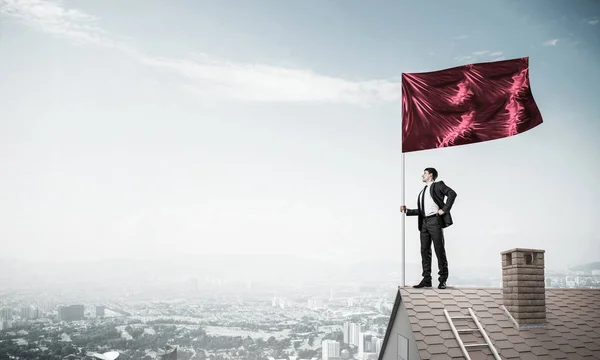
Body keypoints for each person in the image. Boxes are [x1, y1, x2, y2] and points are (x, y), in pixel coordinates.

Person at [400, 168, 457, 289]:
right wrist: (407, 211)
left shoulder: (438, 185)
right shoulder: (423, 191)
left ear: (431, 175)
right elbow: (422, 211)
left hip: (435, 220)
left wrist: (445, 209)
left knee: (439, 249)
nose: (422, 175)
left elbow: (452, 194)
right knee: (424, 251)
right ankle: (427, 279)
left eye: (425, 173)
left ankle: (442, 280)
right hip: (424, 222)